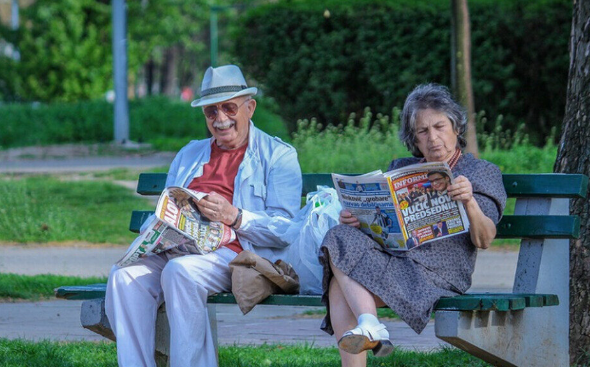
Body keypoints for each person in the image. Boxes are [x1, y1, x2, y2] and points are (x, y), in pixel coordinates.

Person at [105, 64, 302, 367]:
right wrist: (155, 231)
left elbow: (286, 231)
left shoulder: (278, 155)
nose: (220, 119)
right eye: (211, 112)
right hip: (177, 250)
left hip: (235, 256)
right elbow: (166, 206)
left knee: (180, 273)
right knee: (124, 276)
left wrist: (235, 216)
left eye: (229, 108)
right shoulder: (189, 154)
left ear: (250, 107)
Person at [319, 83, 506, 366]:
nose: (433, 138)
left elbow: (485, 239)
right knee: (338, 235)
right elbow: (381, 228)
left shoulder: (480, 172)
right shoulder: (401, 168)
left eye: (439, 127)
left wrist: (469, 202)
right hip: (395, 261)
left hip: (439, 275)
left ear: (456, 128)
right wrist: (358, 221)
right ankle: (370, 324)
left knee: (340, 285)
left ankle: (370, 326)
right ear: (414, 139)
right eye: (422, 131)